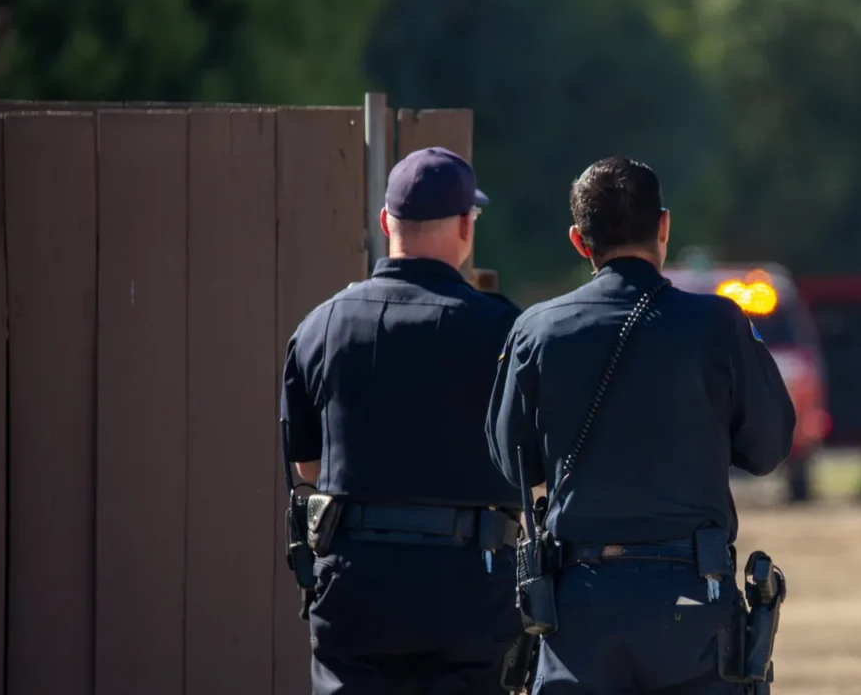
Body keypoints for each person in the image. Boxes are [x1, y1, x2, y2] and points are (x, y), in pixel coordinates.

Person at [486, 156, 797, 695]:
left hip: (579, 606)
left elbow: (507, 462)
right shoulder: (718, 325)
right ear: (664, 227)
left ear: (579, 241)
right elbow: (768, 448)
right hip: (692, 601)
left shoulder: (536, 331)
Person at [281, 146, 523, 694]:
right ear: (466, 226)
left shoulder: (322, 325)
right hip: (469, 593)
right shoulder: (503, 331)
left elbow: (309, 466)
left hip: (356, 590)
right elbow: (530, 463)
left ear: (387, 221)